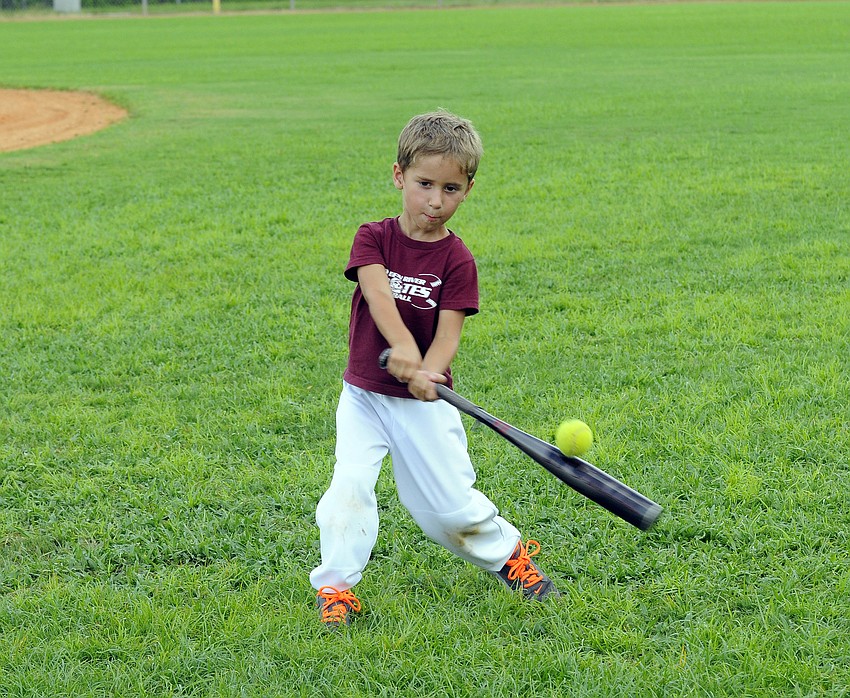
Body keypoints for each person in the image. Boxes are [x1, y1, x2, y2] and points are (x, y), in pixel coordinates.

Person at [310, 109, 559, 629]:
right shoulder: (374, 237)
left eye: (450, 189)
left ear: (467, 189)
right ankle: (335, 587)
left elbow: (449, 336)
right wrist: (403, 348)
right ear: (399, 176)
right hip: (364, 396)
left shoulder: (457, 261)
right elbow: (378, 295)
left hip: (425, 403)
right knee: (348, 489)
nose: (434, 201)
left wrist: (430, 372)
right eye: (424, 184)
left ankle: (508, 554)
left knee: (445, 510)